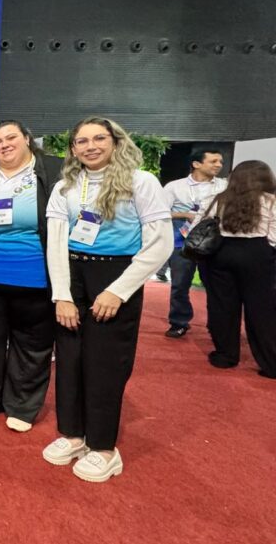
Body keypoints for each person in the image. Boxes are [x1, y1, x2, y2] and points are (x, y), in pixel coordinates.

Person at [44, 116, 172, 482]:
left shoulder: (140, 182)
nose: (91, 146)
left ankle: (103, 448)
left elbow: (160, 243)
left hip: (116, 275)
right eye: (82, 141)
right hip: (72, 273)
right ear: (73, 149)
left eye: (99, 138)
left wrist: (118, 291)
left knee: (105, 364)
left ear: (115, 141)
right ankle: (72, 434)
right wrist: (62, 294)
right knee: (69, 360)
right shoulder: (65, 187)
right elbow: (56, 242)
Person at [0, 120, 63, 432]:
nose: (3, 145)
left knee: (32, 346)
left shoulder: (53, 172)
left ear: (27, 140)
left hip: (35, 278)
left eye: (11, 138)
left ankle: (22, 406)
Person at [193, 160, 276, 377]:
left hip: (221, 254)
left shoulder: (217, 198)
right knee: (262, 310)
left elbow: (198, 226)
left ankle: (225, 356)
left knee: (222, 306)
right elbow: (274, 237)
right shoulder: (271, 201)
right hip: (258, 255)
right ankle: (271, 363)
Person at [162, 149, 227, 339]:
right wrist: (185, 214)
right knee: (179, 285)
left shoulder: (224, 186)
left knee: (217, 287)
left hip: (214, 243)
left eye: (220, 162)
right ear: (196, 164)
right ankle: (179, 322)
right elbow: (160, 211)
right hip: (181, 242)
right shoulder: (175, 187)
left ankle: (217, 325)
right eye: (213, 161)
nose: (218, 165)